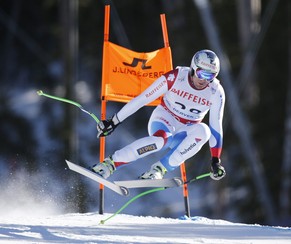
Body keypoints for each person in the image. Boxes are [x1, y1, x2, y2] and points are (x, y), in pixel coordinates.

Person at [91, 49, 226, 181]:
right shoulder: (176, 77)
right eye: (201, 73)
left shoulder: (216, 91)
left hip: (185, 132)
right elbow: (143, 98)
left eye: (210, 76)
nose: (204, 80)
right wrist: (114, 121)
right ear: (193, 68)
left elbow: (216, 124)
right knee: (161, 140)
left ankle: (159, 170)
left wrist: (215, 160)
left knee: (204, 131)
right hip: (164, 119)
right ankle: (109, 164)